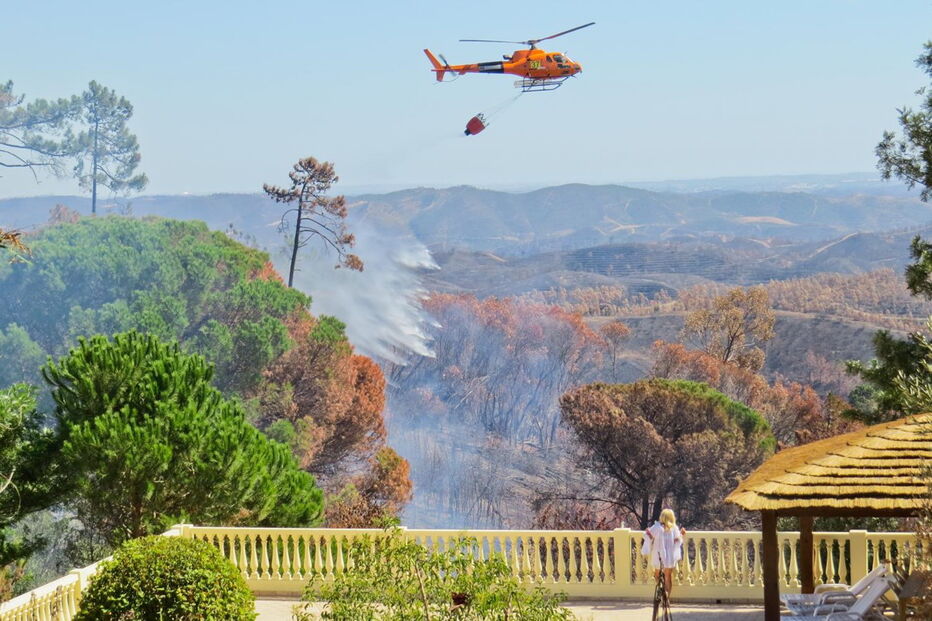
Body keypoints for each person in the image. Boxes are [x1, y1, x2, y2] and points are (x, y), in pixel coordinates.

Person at [641, 509, 686, 596]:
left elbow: (648, 536)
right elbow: (677, 540)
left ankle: (660, 591)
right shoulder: (674, 528)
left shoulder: (657, 527)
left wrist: (648, 532)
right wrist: (681, 534)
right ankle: (667, 597)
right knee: (668, 576)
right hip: (669, 555)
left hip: (658, 554)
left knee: (657, 573)